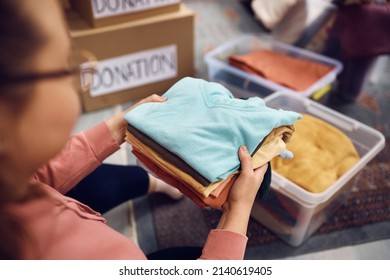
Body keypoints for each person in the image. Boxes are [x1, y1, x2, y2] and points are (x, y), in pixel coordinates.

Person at [0, 0, 268, 260]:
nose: (78, 82)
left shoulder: (12, 178)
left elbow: (40, 174)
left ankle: (152, 183)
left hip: (76, 218)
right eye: (65, 67)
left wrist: (120, 125)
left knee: (97, 180)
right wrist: (237, 209)